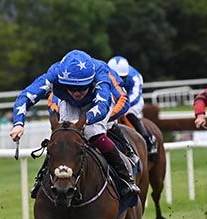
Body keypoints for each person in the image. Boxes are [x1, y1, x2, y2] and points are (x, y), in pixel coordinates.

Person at [10, 49, 140, 198]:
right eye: (71, 88)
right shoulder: (55, 73)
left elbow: (102, 107)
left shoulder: (101, 73)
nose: (77, 93)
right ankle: (41, 178)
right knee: (62, 137)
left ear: (91, 80)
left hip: (96, 103)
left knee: (93, 132)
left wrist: (82, 122)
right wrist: (18, 124)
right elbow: (25, 96)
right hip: (69, 103)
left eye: (82, 87)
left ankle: (125, 178)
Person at [108, 56, 158, 158]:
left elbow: (135, 95)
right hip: (115, 100)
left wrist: (122, 105)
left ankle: (148, 139)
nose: (119, 81)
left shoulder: (135, 77)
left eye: (122, 78)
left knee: (129, 112)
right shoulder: (104, 73)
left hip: (133, 101)